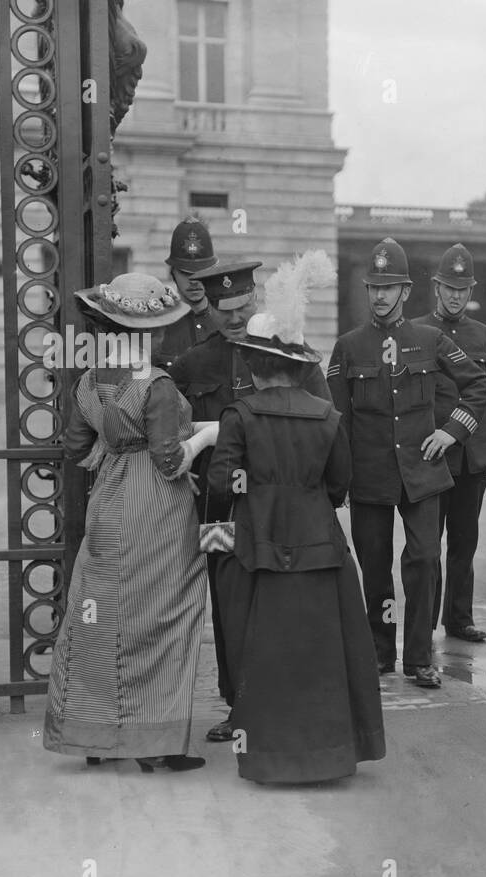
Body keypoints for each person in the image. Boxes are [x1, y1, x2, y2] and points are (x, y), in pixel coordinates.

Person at [206, 252, 385, 783]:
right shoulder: (327, 416)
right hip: (318, 547)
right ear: (296, 366)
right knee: (322, 653)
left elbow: (222, 482)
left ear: (256, 367)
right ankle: (328, 754)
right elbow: (338, 485)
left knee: (260, 651)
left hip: (256, 546)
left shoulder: (239, 416)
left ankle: (269, 756)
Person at [44, 273, 208, 773]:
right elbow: (168, 459)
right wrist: (208, 435)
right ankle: (155, 741)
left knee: (99, 614)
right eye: (156, 329)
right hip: (157, 506)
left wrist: (115, 445)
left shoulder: (89, 382)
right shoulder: (156, 384)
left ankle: (95, 735)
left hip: (109, 500)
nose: (160, 336)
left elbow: (75, 449)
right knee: (165, 612)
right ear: (146, 334)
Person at [170, 258, 334, 742]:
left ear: (256, 300)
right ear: (211, 308)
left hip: (279, 507)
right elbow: (172, 428)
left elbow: (325, 419)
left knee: (283, 603)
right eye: (224, 310)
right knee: (229, 602)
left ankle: (285, 702)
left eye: (242, 307)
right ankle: (238, 705)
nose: (235, 318)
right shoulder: (194, 363)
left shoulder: (290, 353)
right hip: (219, 510)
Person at [327, 238, 486, 689]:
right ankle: (381, 652)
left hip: (423, 473)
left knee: (423, 559)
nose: (380, 296)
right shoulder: (347, 348)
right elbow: (336, 423)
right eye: (373, 288)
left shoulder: (431, 339)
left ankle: (419, 658)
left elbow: (478, 387)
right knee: (375, 568)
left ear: (405, 291)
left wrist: (451, 431)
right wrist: (336, 486)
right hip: (371, 477)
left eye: (389, 287)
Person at [412, 243, 486, 642]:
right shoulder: (418, 331)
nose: (456, 295)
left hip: (473, 457)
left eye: (463, 289)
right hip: (434, 454)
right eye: (449, 287)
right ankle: (427, 621)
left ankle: (459, 619)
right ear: (437, 287)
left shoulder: (483, 335)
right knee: (428, 544)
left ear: (471, 292)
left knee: (465, 542)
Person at [154, 216, 220, 370]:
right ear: (172, 273)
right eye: (186, 273)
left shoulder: (226, 322)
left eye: (201, 272)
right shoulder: (158, 325)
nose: (194, 280)